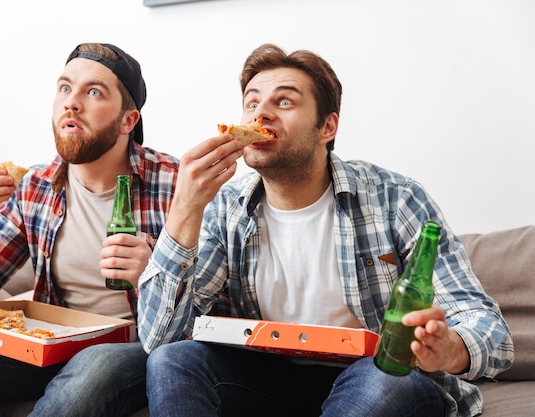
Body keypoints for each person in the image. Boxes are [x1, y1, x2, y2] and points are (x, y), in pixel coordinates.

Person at [137, 43, 513, 417]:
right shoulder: (225, 208)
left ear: (327, 127)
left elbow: (489, 330)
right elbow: (159, 339)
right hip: (273, 378)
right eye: (251, 103)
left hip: (380, 376)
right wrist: (185, 209)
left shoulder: (395, 198)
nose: (261, 114)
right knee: (174, 361)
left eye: (284, 102)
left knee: (382, 377)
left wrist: (449, 346)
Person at [0, 42, 179, 417]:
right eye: (65, 88)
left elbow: (213, 305)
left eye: (94, 92)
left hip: (134, 346)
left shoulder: (178, 184)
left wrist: (153, 271)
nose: (71, 102)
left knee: (94, 365)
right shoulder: (34, 185)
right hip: (52, 345)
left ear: (127, 121)